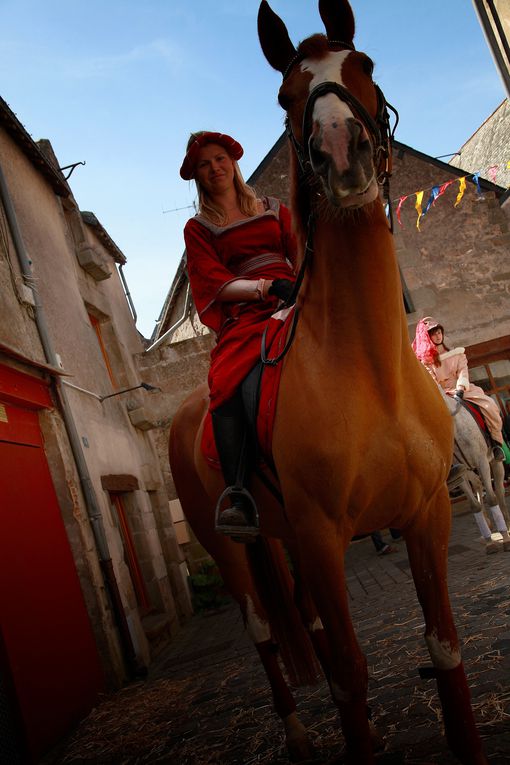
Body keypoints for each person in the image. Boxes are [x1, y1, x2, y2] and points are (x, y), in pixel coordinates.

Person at [180, 131, 297, 531]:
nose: (215, 168)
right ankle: (239, 494)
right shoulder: (198, 227)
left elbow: (300, 252)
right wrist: (266, 287)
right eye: (204, 164)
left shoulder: (273, 208)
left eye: (220, 159)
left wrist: (301, 286)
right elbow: (211, 282)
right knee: (224, 380)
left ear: (232, 161)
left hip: (298, 296)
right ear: (197, 175)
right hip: (247, 314)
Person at [412, 317, 505, 461]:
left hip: (464, 390)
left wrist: (460, 388)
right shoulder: (427, 363)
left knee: (490, 405)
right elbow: (432, 381)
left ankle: (496, 443)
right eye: (433, 334)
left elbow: (463, 371)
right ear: (428, 338)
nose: (437, 336)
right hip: (444, 395)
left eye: (439, 332)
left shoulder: (458, 353)